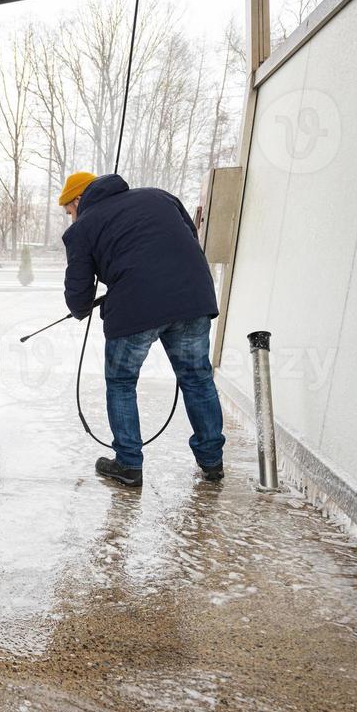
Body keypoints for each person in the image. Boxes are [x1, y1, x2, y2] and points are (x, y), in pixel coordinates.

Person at [58, 171, 225, 487]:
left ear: (78, 199)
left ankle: (129, 465)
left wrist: (81, 309)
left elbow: (79, 293)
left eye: (69, 211)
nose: (71, 218)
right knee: (198, 379)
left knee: (121, 381)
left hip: (137, 306)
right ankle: (212, 462)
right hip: (194, 296)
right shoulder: (159, 195)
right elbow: (187, 236)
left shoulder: (83, 228)